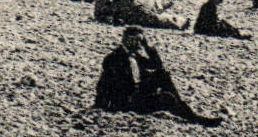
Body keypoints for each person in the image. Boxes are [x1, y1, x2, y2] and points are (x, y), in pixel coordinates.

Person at [92, 27, 223, 126]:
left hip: (136, 92)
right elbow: (112, 85)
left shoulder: (134, 56)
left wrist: (148, 47)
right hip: (124, 101)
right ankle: (193, 118)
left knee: (163, 75)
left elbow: (157, 66)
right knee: (167, 98)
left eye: (140, 41)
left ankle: (186, 109)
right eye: (135, 40)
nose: (138, 44)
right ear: (125, 40)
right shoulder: (114, 57)